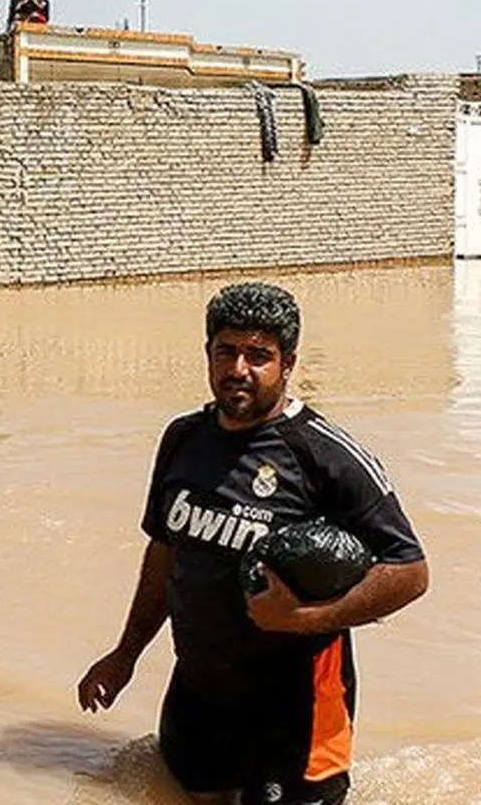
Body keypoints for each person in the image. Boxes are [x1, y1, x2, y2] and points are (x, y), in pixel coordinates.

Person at [77, 282, 429, 805]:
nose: (238, 368)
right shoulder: (183, 439)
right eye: (226, 351)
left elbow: (410, 571)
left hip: (295, 714)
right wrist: (125, 654)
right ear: (208, 354)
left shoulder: (324, 456)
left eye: (258, 355)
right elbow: (165, 553)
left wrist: (302, 620)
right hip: (198, 696)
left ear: (287, 363)